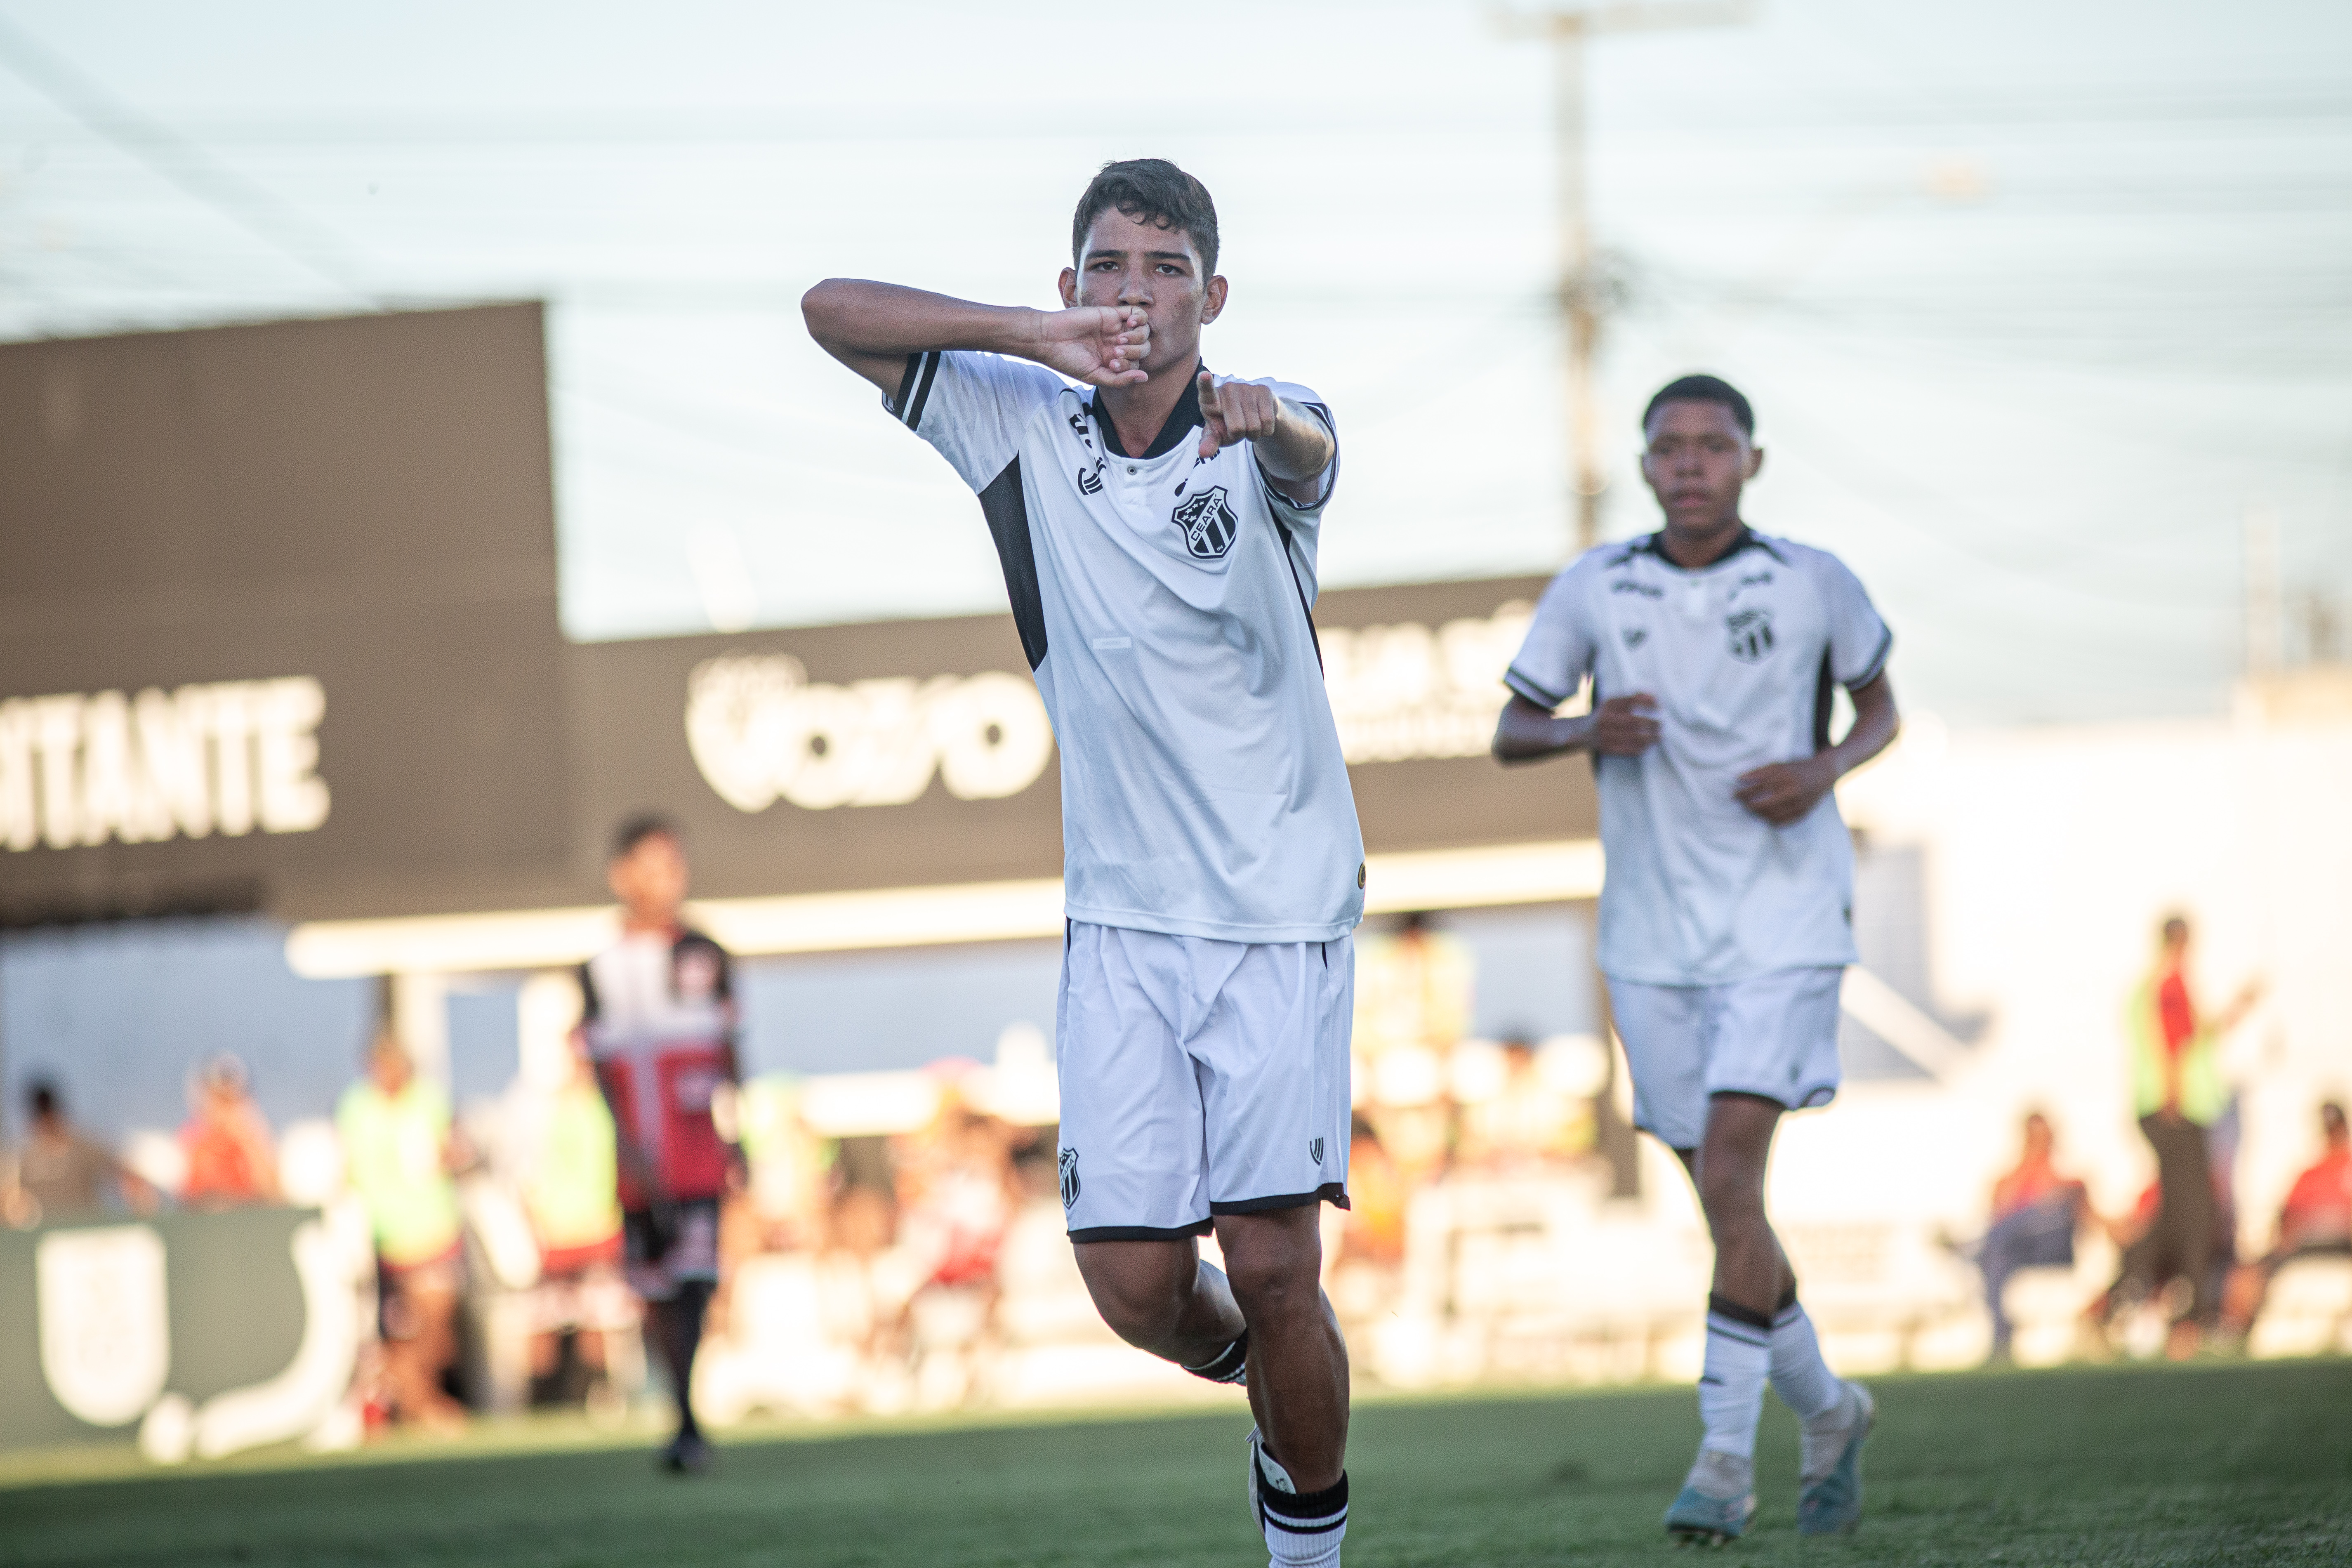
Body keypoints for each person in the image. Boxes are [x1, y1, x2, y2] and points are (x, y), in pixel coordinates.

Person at [805, 157, 1363, 1566]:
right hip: (1119, 920)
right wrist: (1024, 334)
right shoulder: (1018, 416)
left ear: (1212, 298)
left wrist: (1271, 418)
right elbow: (828, 309)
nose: (1132, 294)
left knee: (1278, 1264)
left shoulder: (1262, 429)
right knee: (1130, 1283)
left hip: (1279, 915)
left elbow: (1305, 451)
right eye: (1107, 268)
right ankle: (1266, 1380)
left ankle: (1308, 1540)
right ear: (1072, 285)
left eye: (1164, 271)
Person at [1493, 375, 1899, 1542]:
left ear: (1748, 463)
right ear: (1643, 465)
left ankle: (1723, 1459)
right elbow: (1512, 725)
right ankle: (1828, 1409)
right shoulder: (1595, 586)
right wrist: (1582, 729)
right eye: (1667, 447)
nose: (1688, 465)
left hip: (1783, 920)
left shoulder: (1812, 579)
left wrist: (1820, 770)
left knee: (1728, 1176)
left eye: (1710, 447)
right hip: (1649, 939)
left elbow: (1880, 711)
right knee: (1725, 1202)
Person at [579, 813, 744, 1474]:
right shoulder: (599, 967)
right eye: (652, 864)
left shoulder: (706, 952)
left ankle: (686, 1413)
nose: (667, 879)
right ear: (623, 874)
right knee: (654, 1287)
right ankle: (681, 1415)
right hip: (639, 1157)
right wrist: (625, 1144)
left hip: (699, 1149)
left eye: (674, 863)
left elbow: (732, 1046)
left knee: (696, 1281)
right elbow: (598, 1066)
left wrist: (742, 1137)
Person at [2126, 913, 2260, 1357]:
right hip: (2177, 1109)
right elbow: (2171, 1042)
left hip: (2174, 1105)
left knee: (2175, 1214)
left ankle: (2130, 1289)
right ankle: (2187, 1318)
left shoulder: (2157, 984)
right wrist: (2172, 1092)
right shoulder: (2169, 983)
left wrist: (2237, 1009)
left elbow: (2195, 1038)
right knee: (2196, 1218)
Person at [337, 1032, 470, 1433]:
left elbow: (457, 1148)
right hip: (381, 1237)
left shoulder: (429, 1100)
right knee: (393, 1329)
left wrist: (447, 1157)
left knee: (436, 1326)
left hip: (432, 1230)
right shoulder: (356, 1107)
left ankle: (420, 1397)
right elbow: (347, 1167)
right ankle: (419, 1402)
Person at [1963, 1112, 2093, 1363]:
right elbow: (1998, 1213)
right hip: (2017, 1252)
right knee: (1997, 1260)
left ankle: (1974, 1248)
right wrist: (2026, 1176)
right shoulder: (2009, 1180)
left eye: (2043, 1139)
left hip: (2052, 1249)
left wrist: (2048, 1201)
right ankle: (2001, 1342)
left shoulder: (2069, 1181)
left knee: (2031, 1219)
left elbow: (2090, 1220)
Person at [2221, 1101, 2351, 1341]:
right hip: (2304, 1250)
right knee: (2246, 1273)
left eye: (2335, 1128)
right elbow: (2285, 1223)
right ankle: (2234, 1333)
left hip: (2343, 1248)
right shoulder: (2309, 1174)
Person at [4, 1080, 155, 1226]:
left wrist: (141, 1202)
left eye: (48, 1113)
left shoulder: (84, 1148)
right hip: (45, 1239)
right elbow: (11, 1201)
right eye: (40, 1114)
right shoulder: (24, 1159)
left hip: (85, 1236)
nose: (45, 1120)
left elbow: (128, 1177)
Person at [179, 1052, 280, 1208]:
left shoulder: (252, 1134)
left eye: (231, 1099)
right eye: (220, 1098)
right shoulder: (194, 1138)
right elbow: (189, 1196)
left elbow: (274, 1195)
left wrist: (249, 1139)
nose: (225, 1108)